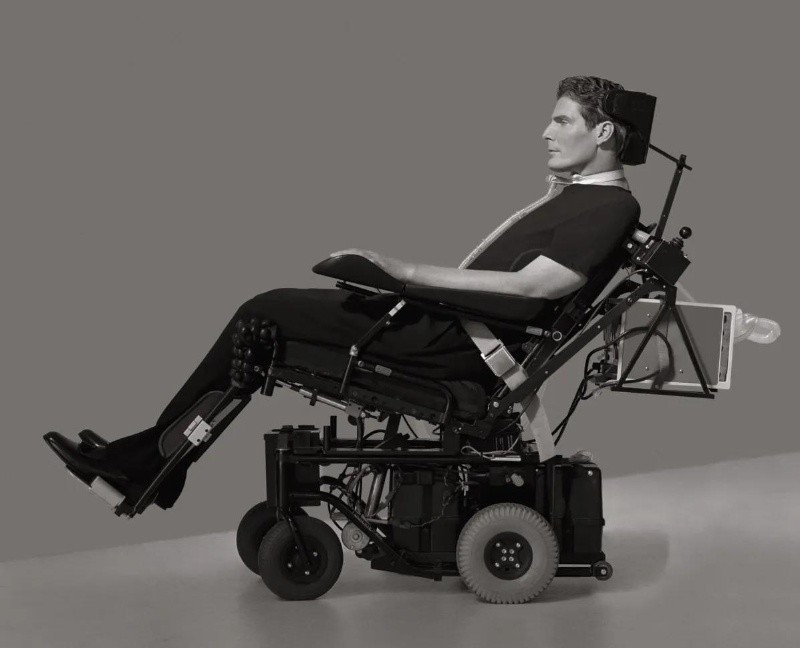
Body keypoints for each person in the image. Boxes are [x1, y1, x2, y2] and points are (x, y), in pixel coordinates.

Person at [44, 75, 641, 509]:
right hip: (444, 327)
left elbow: (539, 287)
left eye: (562, 121)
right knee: (262, 325)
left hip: (454, 343)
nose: (545, 132)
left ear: (604, 132)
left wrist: (406, 272)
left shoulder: (611, 206)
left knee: (262, 314)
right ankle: (160, 461)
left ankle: (151, 462)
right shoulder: (578, 198)